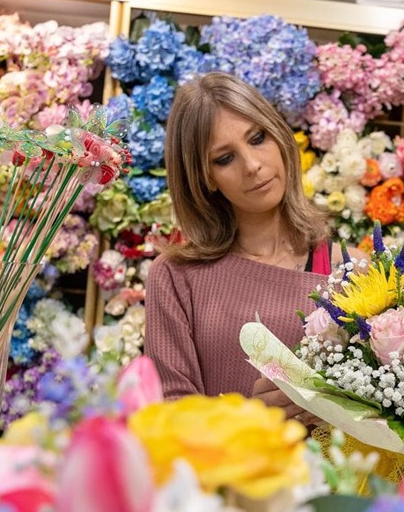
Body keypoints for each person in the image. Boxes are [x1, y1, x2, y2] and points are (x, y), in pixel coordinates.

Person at [144, 72, 364, 420]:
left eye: (257, 138)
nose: (253, 165)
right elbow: (167, 418)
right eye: (224, 159)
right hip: (227, 473)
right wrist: (251, 416)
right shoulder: (175, 278)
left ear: (278, 136)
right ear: (204, 178)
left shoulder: (354, 271)